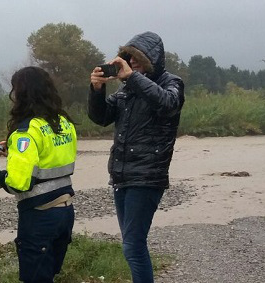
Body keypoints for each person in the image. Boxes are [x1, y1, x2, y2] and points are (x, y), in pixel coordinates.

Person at [87, 31, 185, 283]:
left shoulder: (170, 82)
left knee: (132, 246)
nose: (132, 63)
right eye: (128, 59)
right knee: (132, 244)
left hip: (148, 175)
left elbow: (167, 103)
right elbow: (101, 117)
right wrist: (96, 89)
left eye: (137, 59)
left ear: (152, 59)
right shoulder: (126, 90)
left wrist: (132, 79)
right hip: (121, 174)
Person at [0, 66, 78, 283]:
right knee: (49, 274)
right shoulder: (63, 123)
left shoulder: (26, 131)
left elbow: (19, 183)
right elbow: (49, 159)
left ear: (21, 93)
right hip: (65, 210)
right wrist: (14, 152)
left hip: (40, 215)